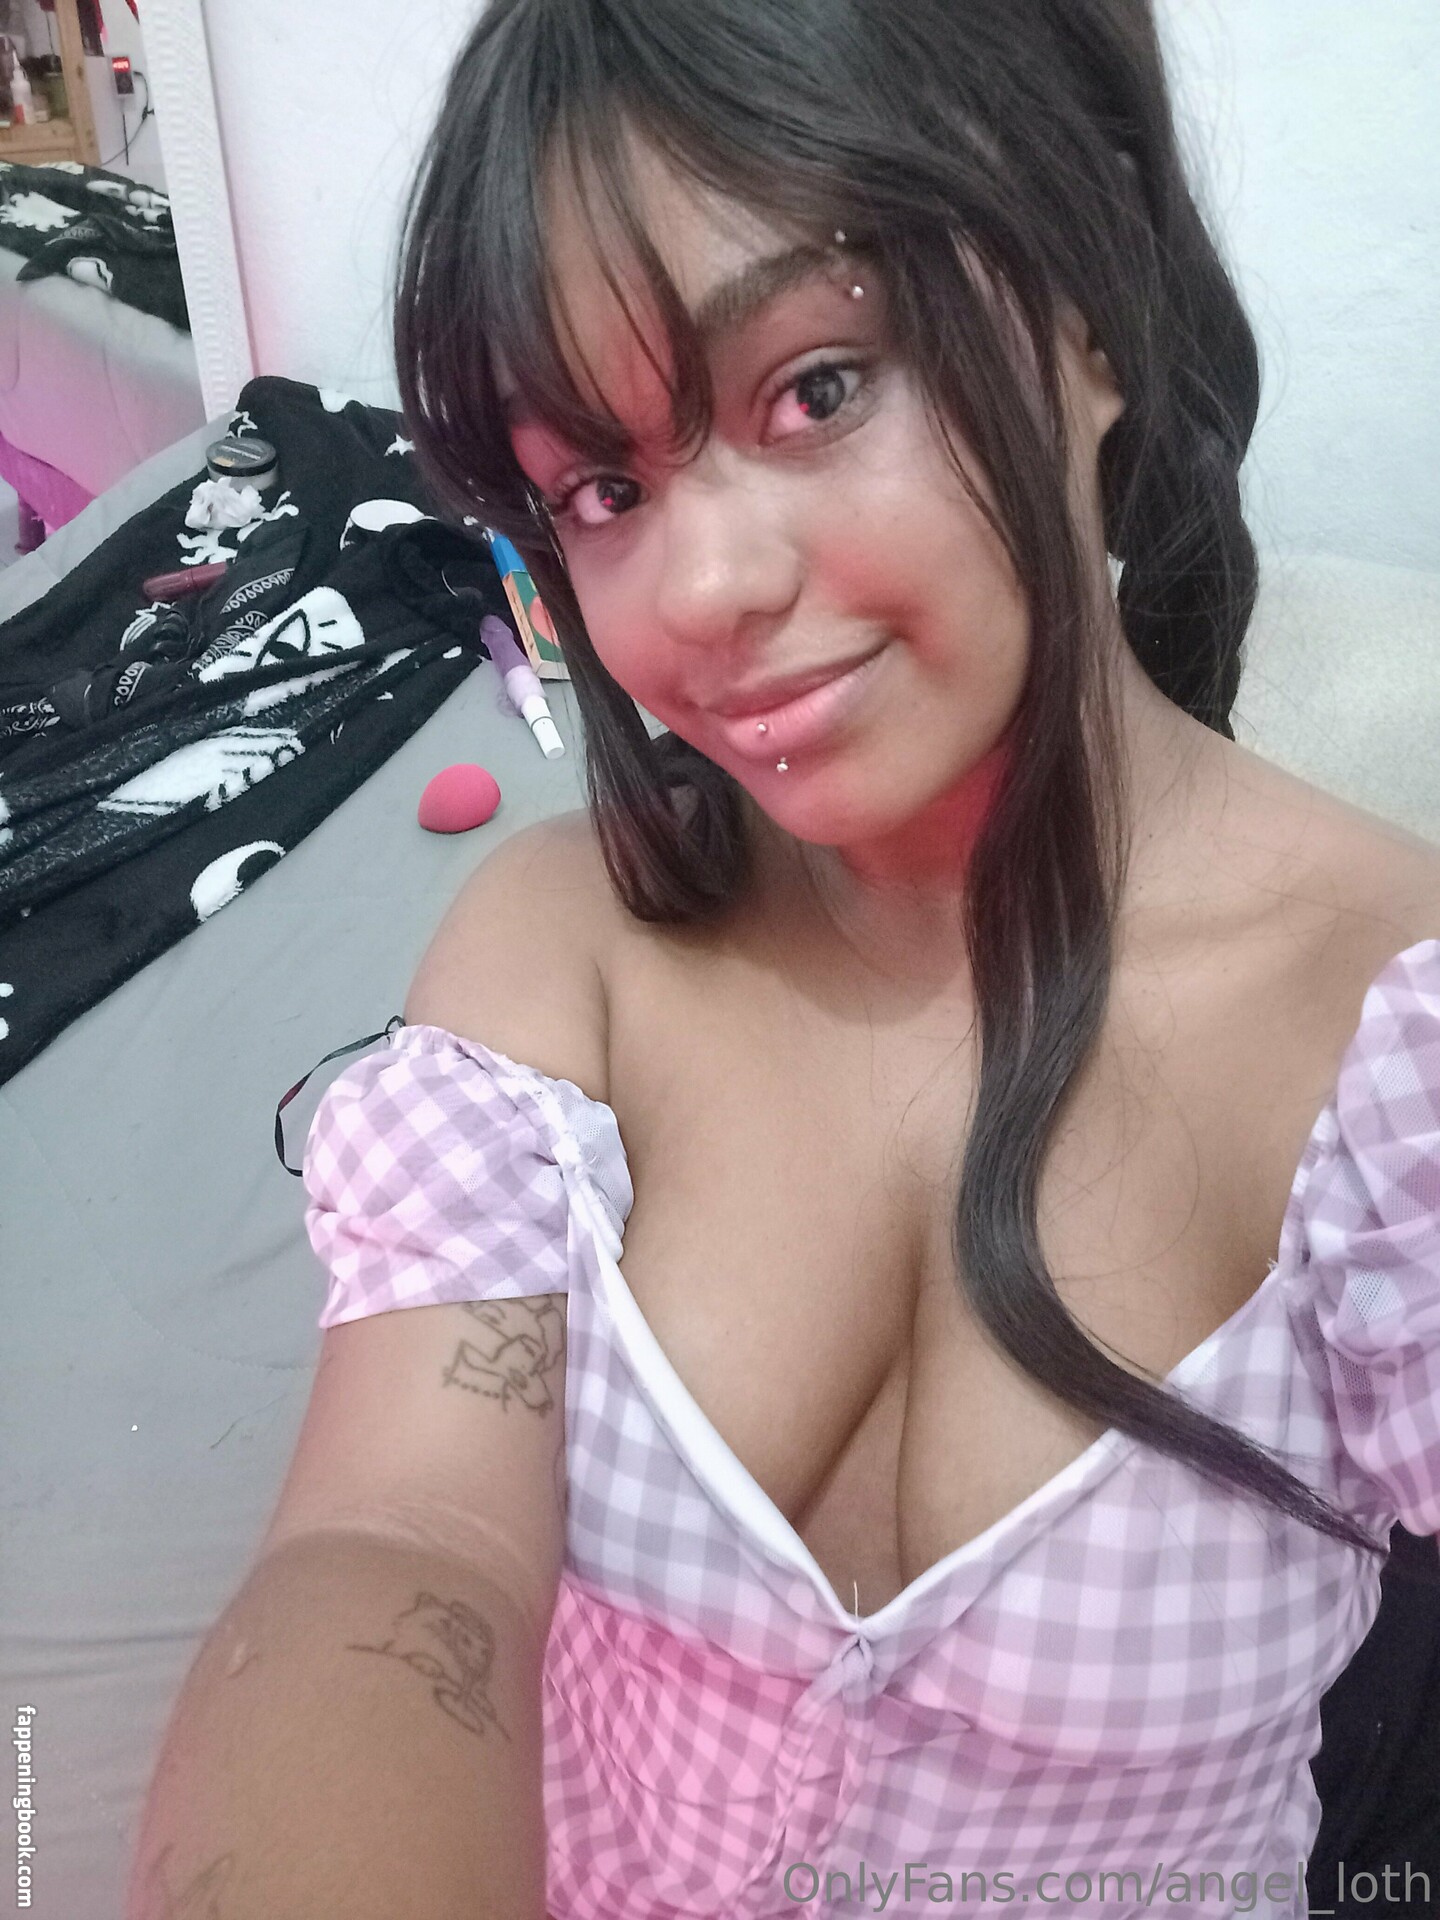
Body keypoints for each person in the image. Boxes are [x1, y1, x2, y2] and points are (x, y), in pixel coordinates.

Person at [124, 3, 1440, 1918]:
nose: (704, 594)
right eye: (602, 491)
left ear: (1091, 302)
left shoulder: (1382, 1050)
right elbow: (393, 1547)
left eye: (818, 388)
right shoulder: (569, 958)